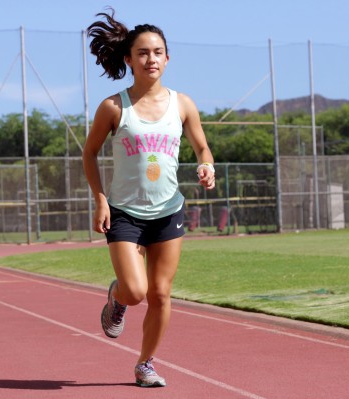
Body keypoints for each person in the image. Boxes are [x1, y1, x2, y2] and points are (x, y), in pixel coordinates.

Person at [83, 8, 216, 388]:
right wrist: (100, 199)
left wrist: (207, 166)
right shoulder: (114, 107)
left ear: (167, 58)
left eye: (158, 52)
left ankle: (145, 364)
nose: (151, 59)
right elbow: (89, 153)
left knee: (160, 293)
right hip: (124, 212)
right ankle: (117, 299)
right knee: (136, 291)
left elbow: (202, 149)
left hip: (168, 210)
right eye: (142, 53)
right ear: (128, 59)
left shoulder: (183, 104)